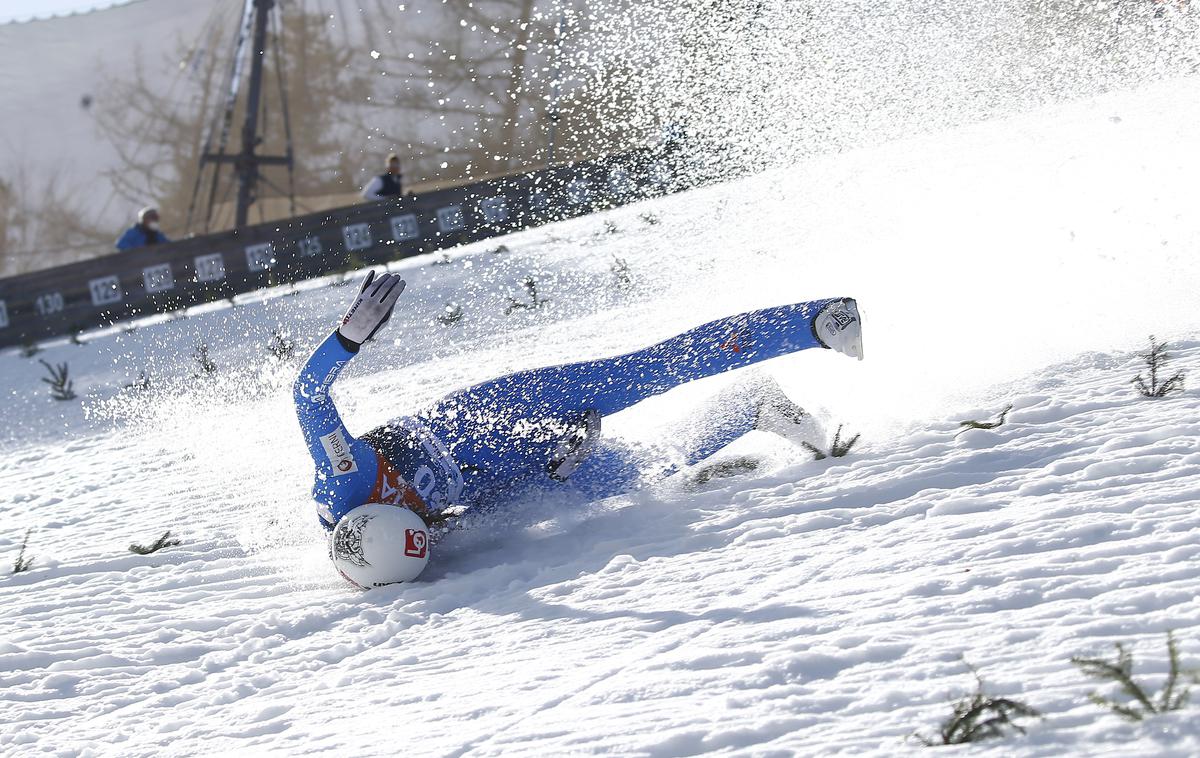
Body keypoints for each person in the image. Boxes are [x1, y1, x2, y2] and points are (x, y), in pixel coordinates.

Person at [294, 271, 863, 585]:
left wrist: (348, 338)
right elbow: (482, 511)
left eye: (404, 508)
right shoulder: (396, 564)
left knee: (637, 376)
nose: (417, 512)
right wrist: (547, 470)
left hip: (483, 415)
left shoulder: (343, 476)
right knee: (649, 469)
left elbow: (308, 393)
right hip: (515, 465)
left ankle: (811, 324)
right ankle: (752, 405)